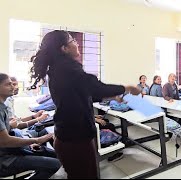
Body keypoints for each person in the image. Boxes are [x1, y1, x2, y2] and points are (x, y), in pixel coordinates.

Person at [29, 30, 140, 179]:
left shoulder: (59, 69)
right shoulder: (68, 69)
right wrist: (127, 87)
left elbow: (83, 93)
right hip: (75, 141)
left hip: (69, 137)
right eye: (72, 41)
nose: (77, 43)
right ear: (64, 48)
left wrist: (113, 96)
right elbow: (95, 87)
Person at [0, 73, 60, 179]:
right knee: (54, 164)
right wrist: (36, 140)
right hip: (5, 160)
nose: (13, 87)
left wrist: (28, 144)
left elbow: (10, 131)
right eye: (8, 84)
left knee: (50, 154)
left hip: (10, 151)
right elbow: (5, 141)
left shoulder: (3, 107)